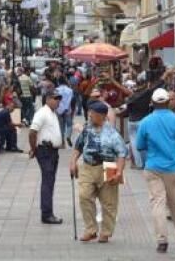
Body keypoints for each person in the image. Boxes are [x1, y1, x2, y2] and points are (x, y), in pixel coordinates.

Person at [136, 89, 175, 253]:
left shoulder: (145, 122)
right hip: (173, 167)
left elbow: (139, 145)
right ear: (168, 101)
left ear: (153, 103)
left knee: (157, 204)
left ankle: (162, 241)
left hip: (153, 167)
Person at [69, 101, 127, 243]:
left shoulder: (113, 133)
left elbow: (121, 154)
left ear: (102, 116)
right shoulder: (87, 129)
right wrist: (73, 162)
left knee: (109, 203)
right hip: (88, 166)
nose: (89, 115)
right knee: (84, 196)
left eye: (92, 114)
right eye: (89, 113)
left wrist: (119, 172)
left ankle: (106, 232)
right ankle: (91, 229)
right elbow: (78, 147)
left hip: (109, 166)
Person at [29, 90, 64, 224]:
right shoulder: (42, 113)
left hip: (52, 151)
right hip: (45, 151)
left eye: (59, 98)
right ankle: (47, 214)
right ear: (48, 99)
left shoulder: (52, 113)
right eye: (55, 98)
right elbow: (32, 132)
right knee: (48, 181)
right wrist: (33, 149)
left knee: (50, 181)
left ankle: (48, 212)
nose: (58, 101)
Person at [125, 68, 172, 169]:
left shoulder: (132, 95)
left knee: (134, 143)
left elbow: (127, 109)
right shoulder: (146, 93)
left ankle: (139, 164)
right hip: (142, 120)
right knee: (145, 142)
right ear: (146, 83)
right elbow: (159, 83)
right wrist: (166, 73)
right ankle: (145, 162)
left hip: (131, 121)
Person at [56, 78, 74, 147]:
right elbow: (72, 100)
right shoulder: (70, 90)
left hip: (59, 110)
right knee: (69, 124)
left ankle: (62, 143)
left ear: (59, 83)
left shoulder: (57, 90)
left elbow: (56, 100)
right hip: (67, 110)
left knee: (61, 126)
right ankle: (68, 136)